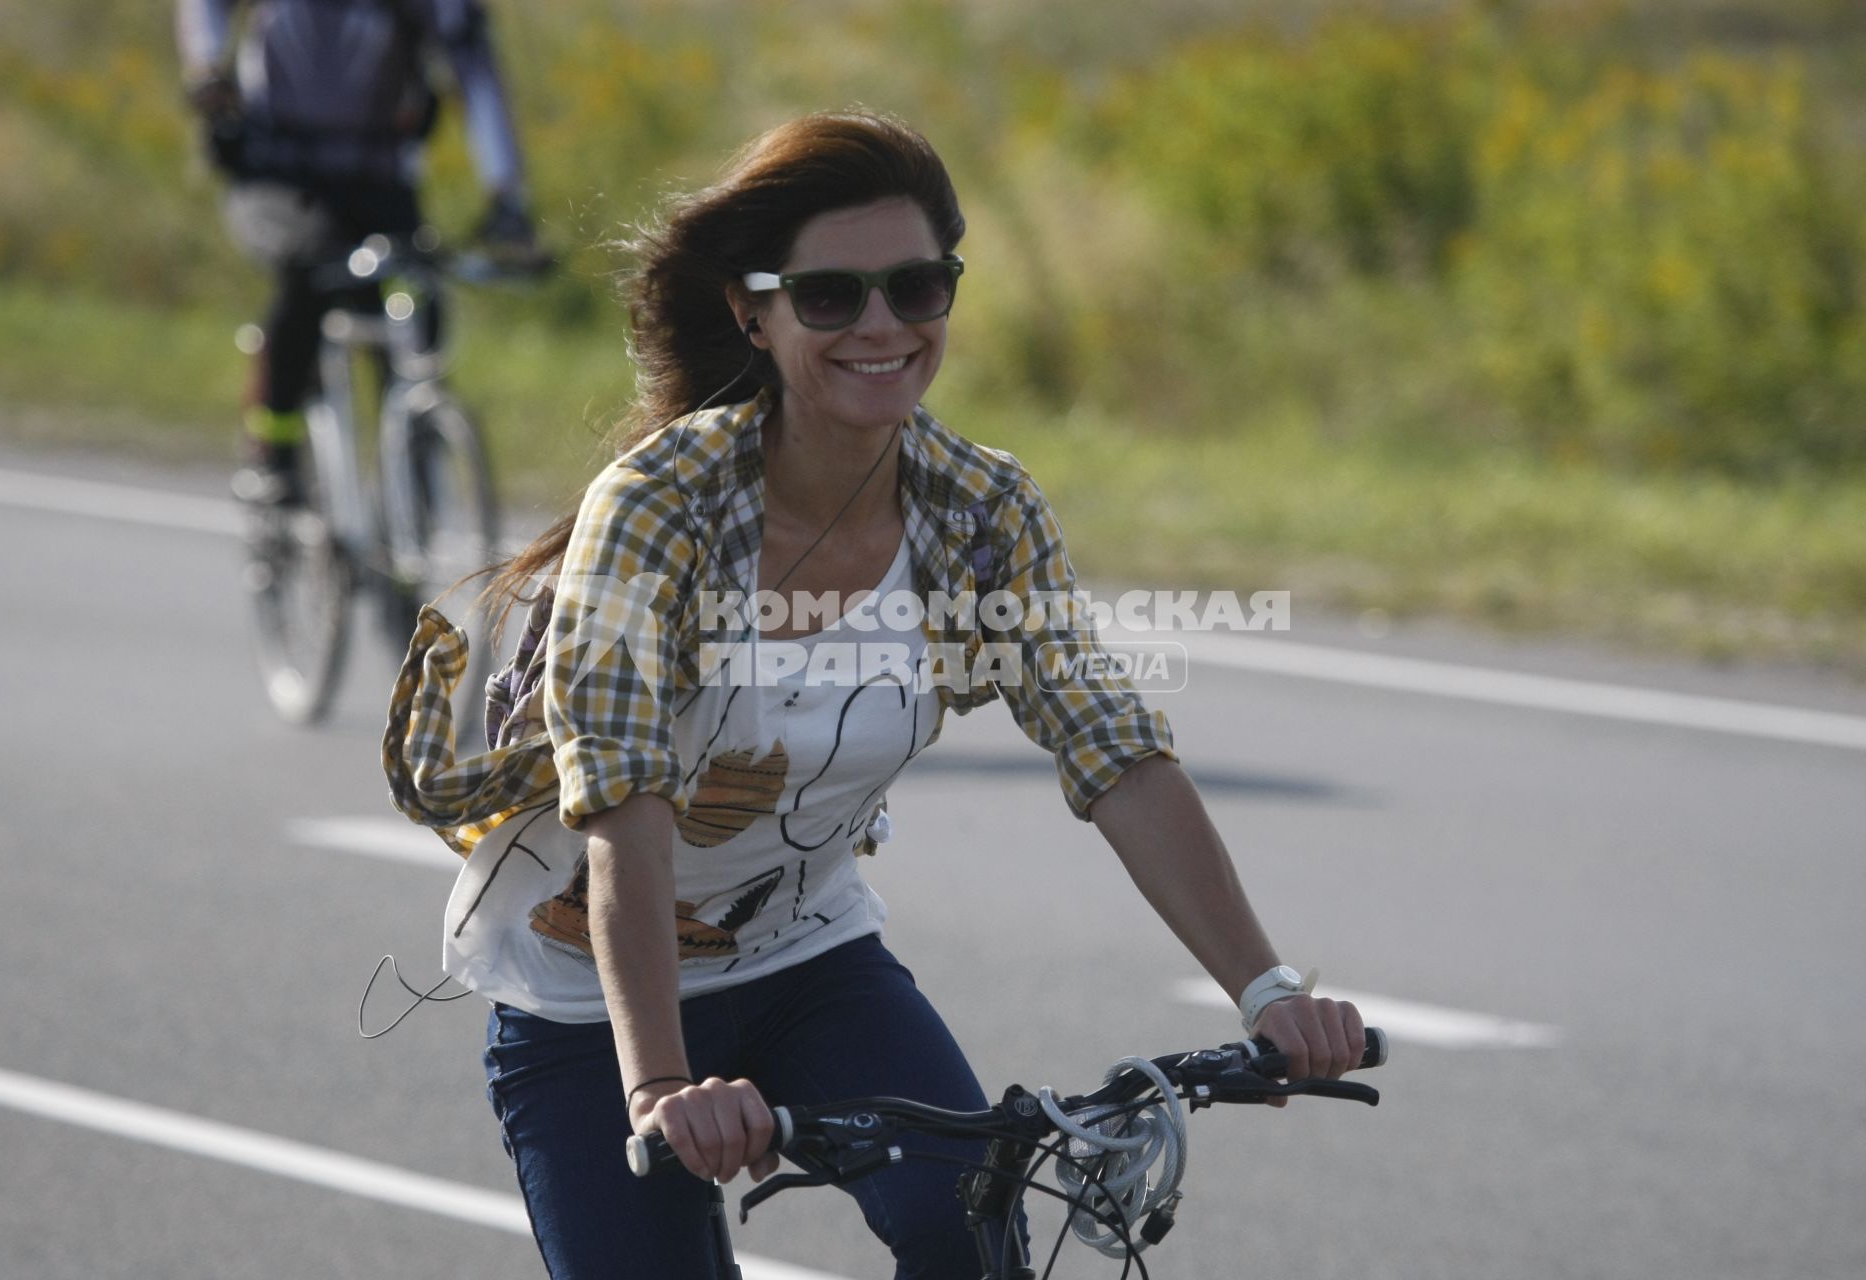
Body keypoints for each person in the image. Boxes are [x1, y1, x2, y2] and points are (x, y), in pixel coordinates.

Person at [381, 110, 1366, 1279]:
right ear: (756, 309)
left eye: (916, 286)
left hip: (807, 959)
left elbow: (1117, 756)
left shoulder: (980, 511)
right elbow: (625, 813)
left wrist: (1266, 987)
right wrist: (659, 1082)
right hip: (592, 997)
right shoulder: (660, 507)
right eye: (832, 296)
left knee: (972, 1230)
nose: (883, 326)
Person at [175, 0, 545, 505]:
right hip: (277, 175)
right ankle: (275, 450)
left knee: (419, 293)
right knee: (309, 274)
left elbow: (475, 71)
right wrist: (207, 67)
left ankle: (408, 469)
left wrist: (506, 197)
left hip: (378, 179)